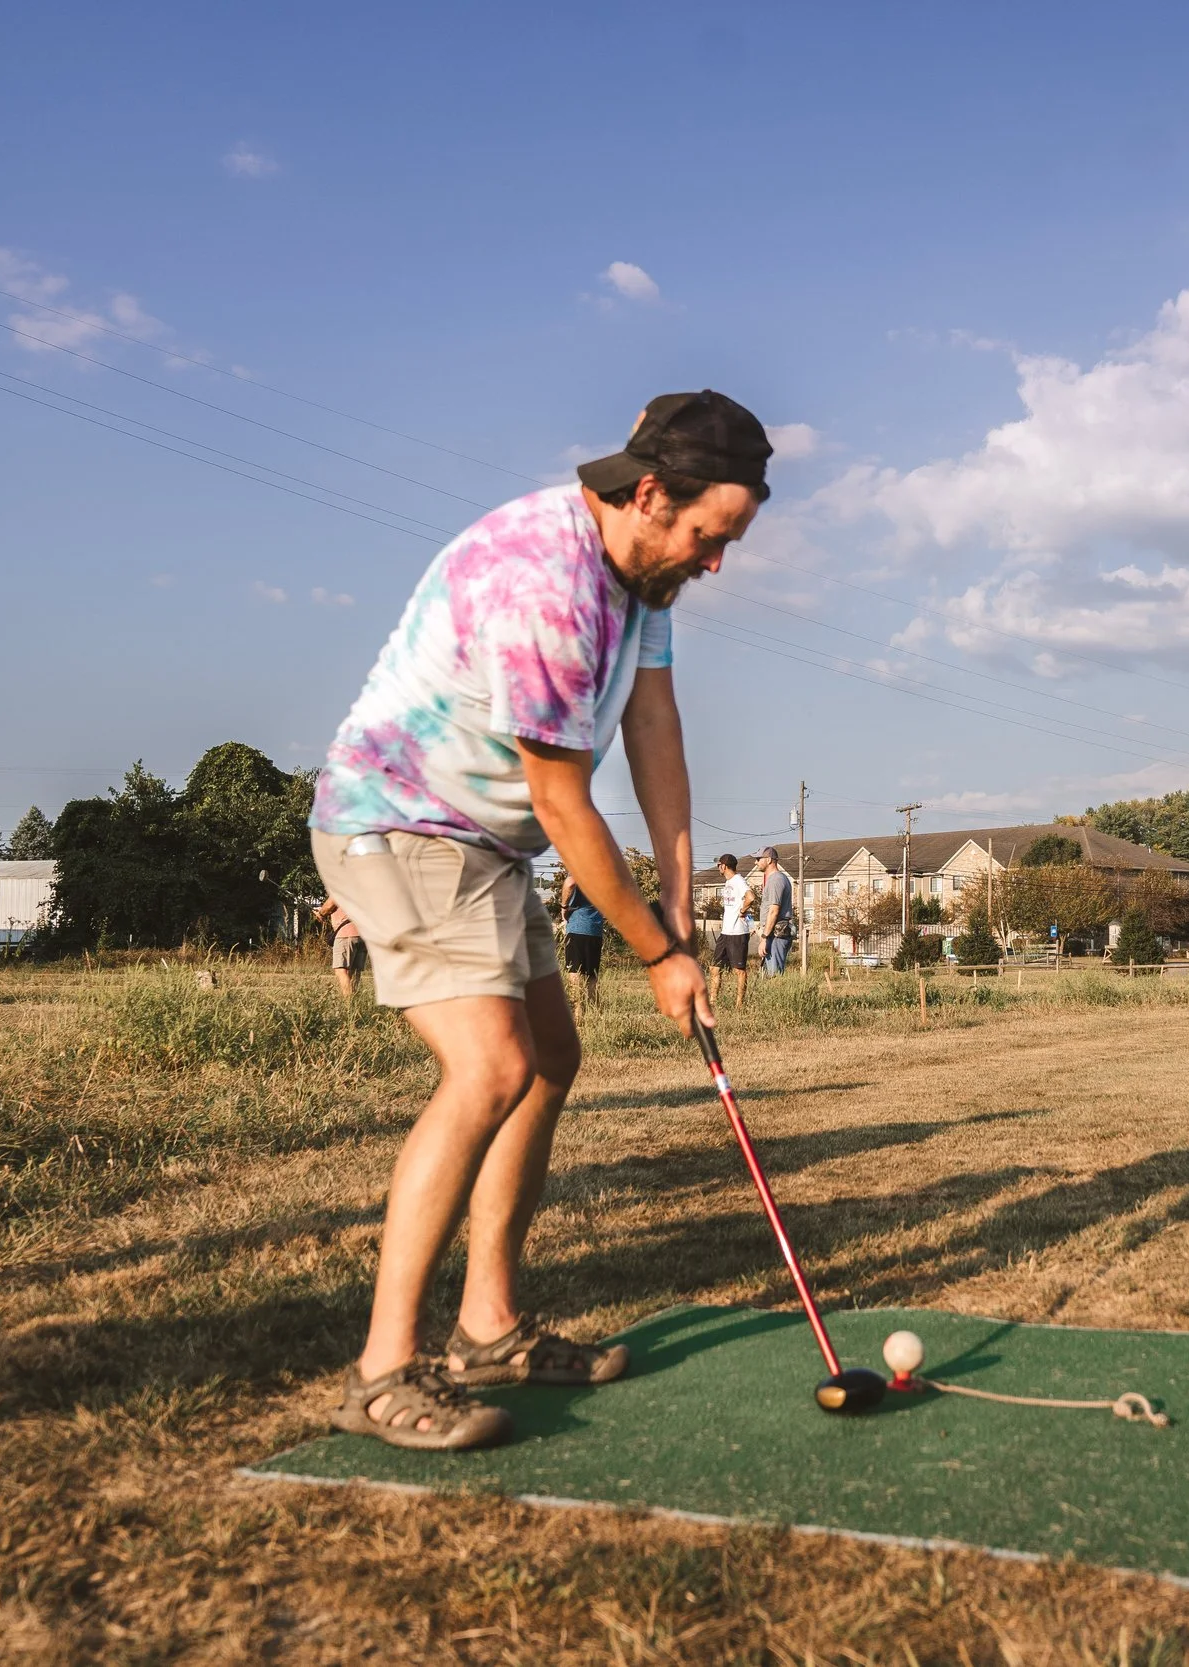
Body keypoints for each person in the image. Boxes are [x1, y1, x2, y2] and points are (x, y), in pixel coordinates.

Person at [310, 389, 767, 1450]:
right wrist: (655, 953)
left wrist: (679, 904)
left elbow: (653, 723)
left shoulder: (642, 570)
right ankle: (382, 1371)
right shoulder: (544, 582)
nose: (715, 562)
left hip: (483, 839)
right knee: (489, 1068)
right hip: (399, 822)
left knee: (549, 1056)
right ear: (649, 492)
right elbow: (565, 801)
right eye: (709, 536)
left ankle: (490, 1328)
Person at [710, 852, 753, 1008]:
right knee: (714, 967)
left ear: (724, 866)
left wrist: (742, 911)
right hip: (726, 933)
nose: (718, 868)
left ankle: (739, 1005)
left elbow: (751, 897)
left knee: (739, 970)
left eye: (719, 865)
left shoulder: (738, 881)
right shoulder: (728, 882)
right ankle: (713, 1002)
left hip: (738, 933)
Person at [556, 871, 605, 1011]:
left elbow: (570, 882)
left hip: (578, 929)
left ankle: (578, 1016)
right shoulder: (603, 873)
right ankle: (595, 1015)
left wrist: (564, 907)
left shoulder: (579, 866)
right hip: (595, 930)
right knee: (592, 976)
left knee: (575, 973)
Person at [753, 845, 796, 975]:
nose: (755, 862)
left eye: (758, 858)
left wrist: (765, 937)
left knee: (774, 974)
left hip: (776, 933)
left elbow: (774, 911)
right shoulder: (775, 879)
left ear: (769, 859)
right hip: (774, 932)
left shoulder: (776, 880)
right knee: (769, 974)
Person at [314, 895, 365, 999]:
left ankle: (349, 1006)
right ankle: (356, 1006)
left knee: (341, 971)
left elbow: (329, 905)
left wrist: (320, 913)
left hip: (346, 934)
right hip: (363, 934)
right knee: (354, 971)